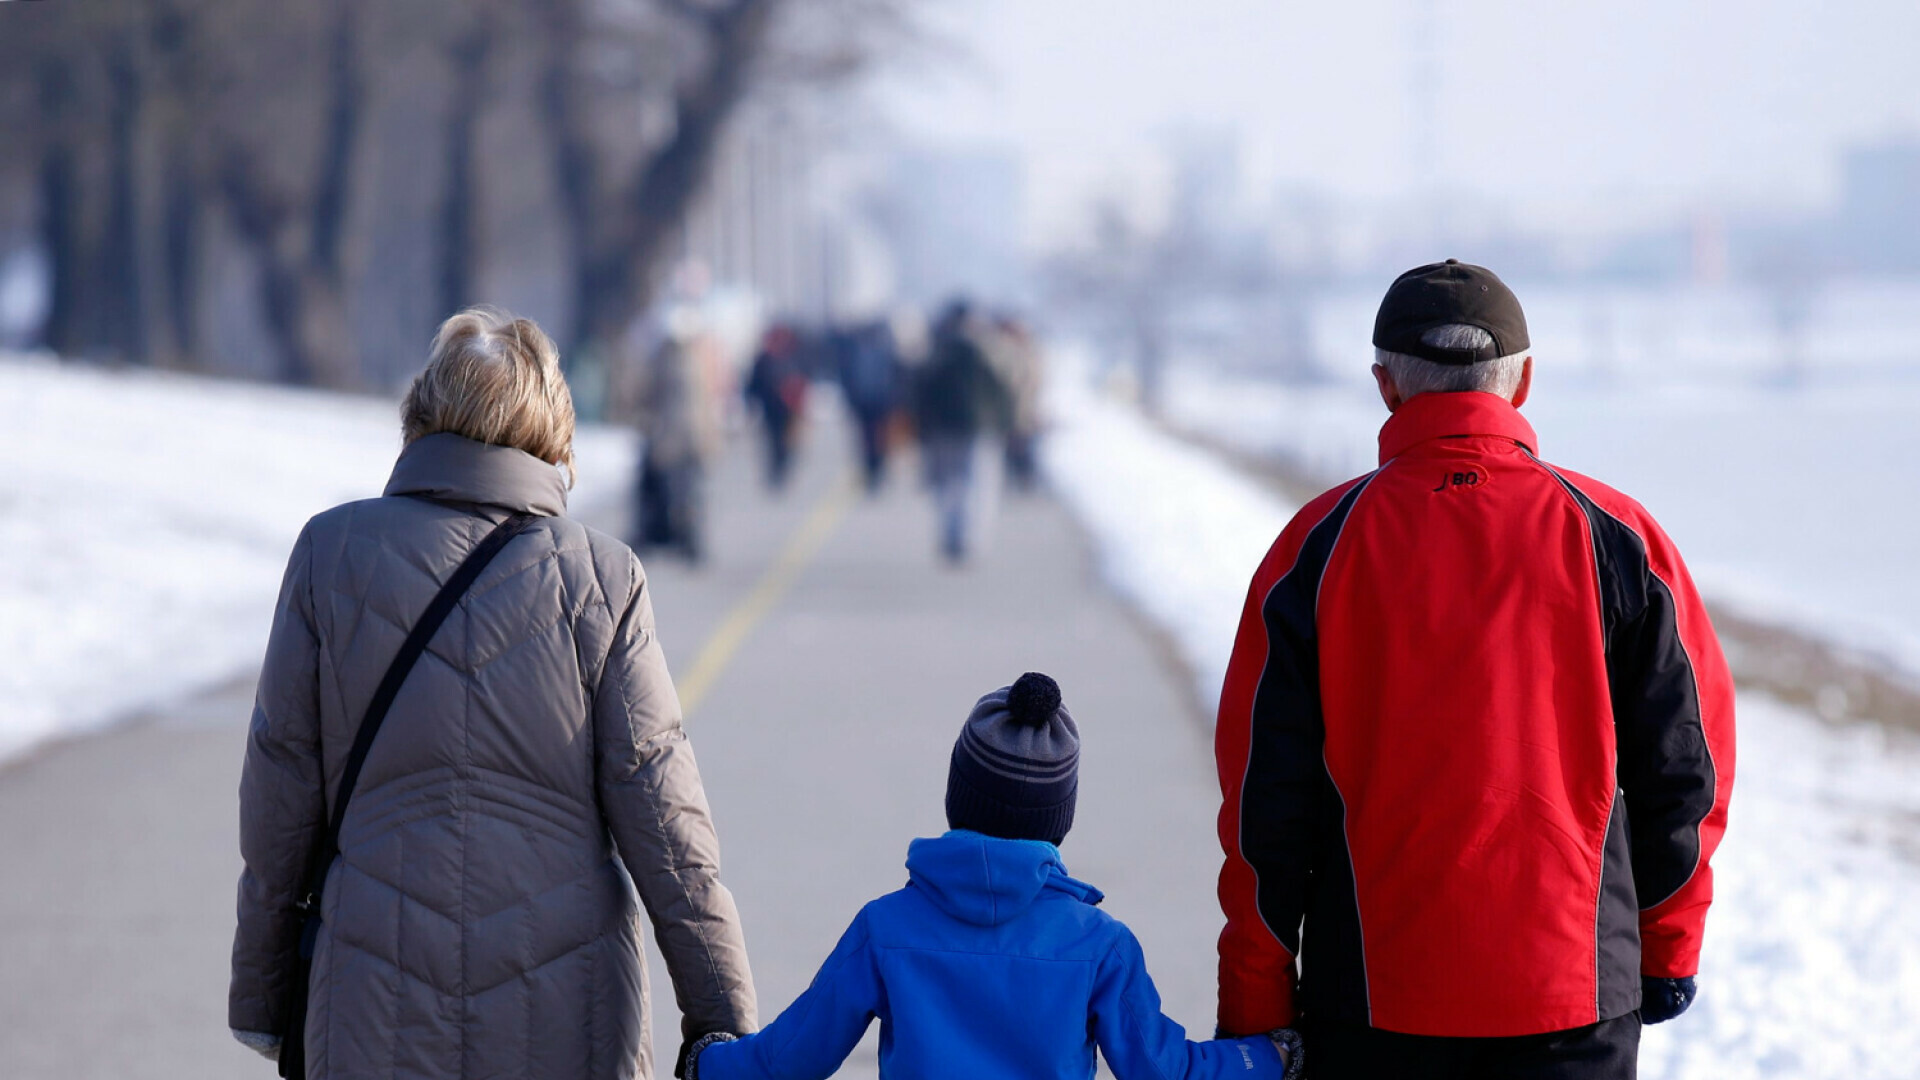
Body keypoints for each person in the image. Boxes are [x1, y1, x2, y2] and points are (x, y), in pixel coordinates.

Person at [1213, 261, 1735, 1079]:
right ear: (1522, 384)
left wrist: (1256, 999)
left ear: (1385, 387)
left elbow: (1263, 806)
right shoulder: (1618, 539)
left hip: (1373, 1006)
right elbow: (1685, 770)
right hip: (1576, 997)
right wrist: (1669, 947)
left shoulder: (1315, 549)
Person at [228, 308, 757, 1078]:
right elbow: (665, 817)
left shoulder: (331, 555)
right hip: (568, 1004)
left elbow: (279, 803)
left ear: (423, 412)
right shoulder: (599, 578)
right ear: (551, 429)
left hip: (374, 989)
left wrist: (264, 998)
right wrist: (721, 1016)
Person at [684, 673, 1303, 1080]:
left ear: (958, 797)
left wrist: (707, 1062)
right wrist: (1269, 1057)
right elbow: (1166, 1068)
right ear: (1059, 820)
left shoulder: (885, 928)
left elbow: (791, 1058)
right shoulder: (1097, 944)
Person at [912, 300, 1012, 563]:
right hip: (970, 430)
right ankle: (963, 538)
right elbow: (1000, 392)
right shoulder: (982, 353)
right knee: (969, 483)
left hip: (943, 431)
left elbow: (919, 393)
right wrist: (1005, 424)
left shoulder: (935, 353)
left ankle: (952, 536)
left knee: (948, 485)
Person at [633, 309, 724, 561]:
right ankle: (688, 543)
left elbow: (648, 395)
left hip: (673, 440)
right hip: (691, 439)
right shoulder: (695, 359)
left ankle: (678, 540)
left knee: (676, 495)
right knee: (687, 494)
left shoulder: (669, 360)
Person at [742, 323, 808, 491]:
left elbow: (803, 377)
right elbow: (754, 382)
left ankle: (781, 467)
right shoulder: (767, 357)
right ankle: (777, 469)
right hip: (772, 408)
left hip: (787, 407)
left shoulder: (790, 355)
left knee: (784, 441)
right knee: (774, 441)